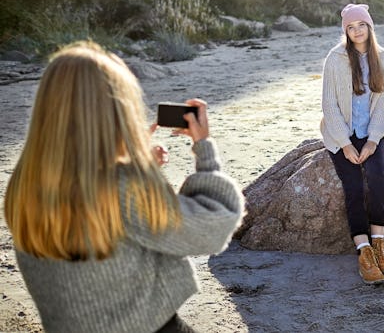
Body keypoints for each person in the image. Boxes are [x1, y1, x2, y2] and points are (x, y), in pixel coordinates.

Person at [4, 41, 243, 333]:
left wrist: (130, 162)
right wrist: (203, 148)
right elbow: (213, 225)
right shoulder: (122, 191)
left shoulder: (25, 185)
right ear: (115, 114)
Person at [321, 3, 384, 285]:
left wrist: (373, 140)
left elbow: (383, 104)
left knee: (377, 180)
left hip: (370, 132)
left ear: (369, 26)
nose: (356, 31)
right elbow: (328, 104)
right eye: (350, 28)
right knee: (352, 187)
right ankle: (363, 251)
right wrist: (345, 144)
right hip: (341, 133)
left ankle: (378, 244)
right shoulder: (335, 58)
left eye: (361, 25)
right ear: (346, 31)